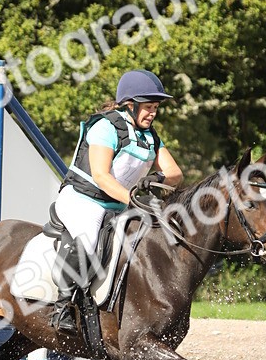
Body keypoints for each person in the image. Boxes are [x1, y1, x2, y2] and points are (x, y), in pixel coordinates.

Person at [50, 69, 183, 331]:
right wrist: (133, 200)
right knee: (87, 241)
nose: (153, 113)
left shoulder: (150, 137)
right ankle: (63, 306)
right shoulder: (105, 127)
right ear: (130, 105)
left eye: (155, 107)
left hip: (118, 205)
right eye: (148, 107)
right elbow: (101, 176)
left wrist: (157, 178)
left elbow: (176, 174)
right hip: (83, 200)